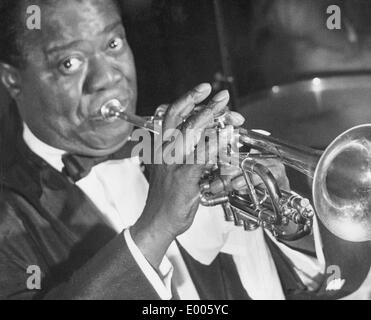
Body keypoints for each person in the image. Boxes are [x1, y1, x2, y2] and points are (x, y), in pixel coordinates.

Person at [0, 0, 370, 300]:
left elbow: (325, 282)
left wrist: (286, 220)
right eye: (69, 63)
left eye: (113, 44)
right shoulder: (8, 216)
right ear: (12, 80)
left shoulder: (190, 143)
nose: (107, 78)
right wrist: (156, 226)